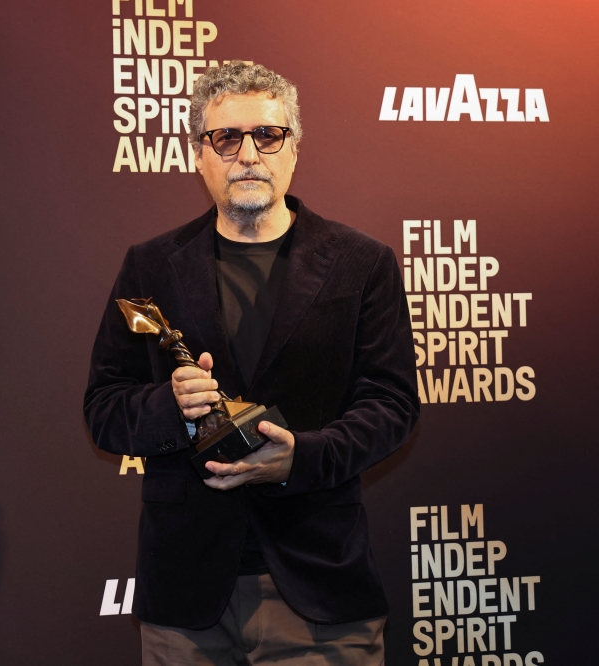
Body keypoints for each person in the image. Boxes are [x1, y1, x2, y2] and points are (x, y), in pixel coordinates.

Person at [84, 61, 420, 665]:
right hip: (187, 597)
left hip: (318, 586)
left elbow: (392, 404)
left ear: (292, 150)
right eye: (227, 138)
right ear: (199, 155)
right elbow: (104, 407)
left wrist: (302, 457)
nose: (248, 155)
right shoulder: (150, 267)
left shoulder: (361, 263)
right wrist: (173, 408)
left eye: (267, 136)